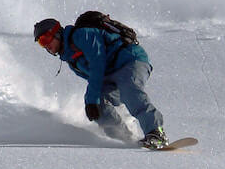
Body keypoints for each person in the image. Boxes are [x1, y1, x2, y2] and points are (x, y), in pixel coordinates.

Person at [33, 17, 168, 148]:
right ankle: (125, 138)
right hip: (110, 75)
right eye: (41, 43)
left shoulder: (82, 35)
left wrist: (93, 98)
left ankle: (156, 133)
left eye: (45, 39)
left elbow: (97, 64)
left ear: (57, 33)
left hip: (130, 60)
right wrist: (93, 101)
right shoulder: (71, 60)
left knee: (129, 91)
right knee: (97, 104)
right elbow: (95, 80)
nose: (45, 46)